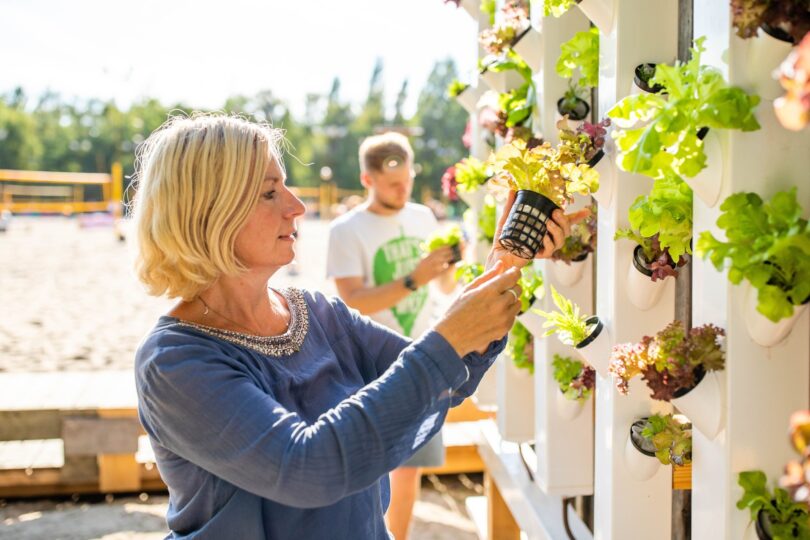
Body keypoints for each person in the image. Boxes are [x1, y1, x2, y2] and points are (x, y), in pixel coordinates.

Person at [131, 113, 575, 539]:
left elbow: (445, 379)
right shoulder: (174, 362)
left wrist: (505, 263)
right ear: (208, 211)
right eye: (270, 193)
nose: (297, 206)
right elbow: (308, 468)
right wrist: (449, 337)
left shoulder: (316, 313)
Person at [326, 132, 460, 540]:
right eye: (392, 185)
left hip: (422, 355)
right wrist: (413, 278)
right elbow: (352, 301)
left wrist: (450, 263)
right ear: (367, 181)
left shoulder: (422, 216)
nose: (403, 190)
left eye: (407, 180)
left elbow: (445, 288)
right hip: (367, 364)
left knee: (409, 466)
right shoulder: (345, 229)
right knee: (370, 472)